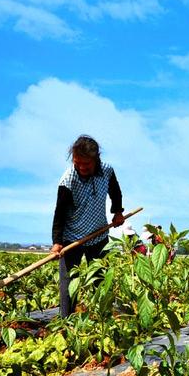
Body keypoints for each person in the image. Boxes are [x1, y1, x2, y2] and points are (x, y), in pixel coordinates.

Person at [51, 135, 124, 317]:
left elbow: (115, 191)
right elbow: (59, 213)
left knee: (101, 280)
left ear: (96, 159)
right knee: (69, 284)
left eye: (87, 164)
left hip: (98, 235)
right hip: (71, 238)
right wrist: (57, 242)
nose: (82, 168)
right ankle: (66, 323)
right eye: (78, 163)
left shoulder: (106, 171)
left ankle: (104, 319)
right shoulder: (68, 179)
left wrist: (117, 212)